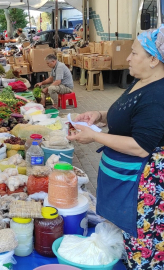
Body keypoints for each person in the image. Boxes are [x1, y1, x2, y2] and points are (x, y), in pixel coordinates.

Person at [67, 26, 164, 269]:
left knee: (142, 250)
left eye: (134, 53)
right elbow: (127, 116)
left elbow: (141, 146)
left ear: (154, 59)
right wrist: (98, 115)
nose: (128, 58)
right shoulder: (141, 81)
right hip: (123, 181)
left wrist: (95, 137)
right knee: (123, 242)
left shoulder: (158, 95)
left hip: (142, 189)